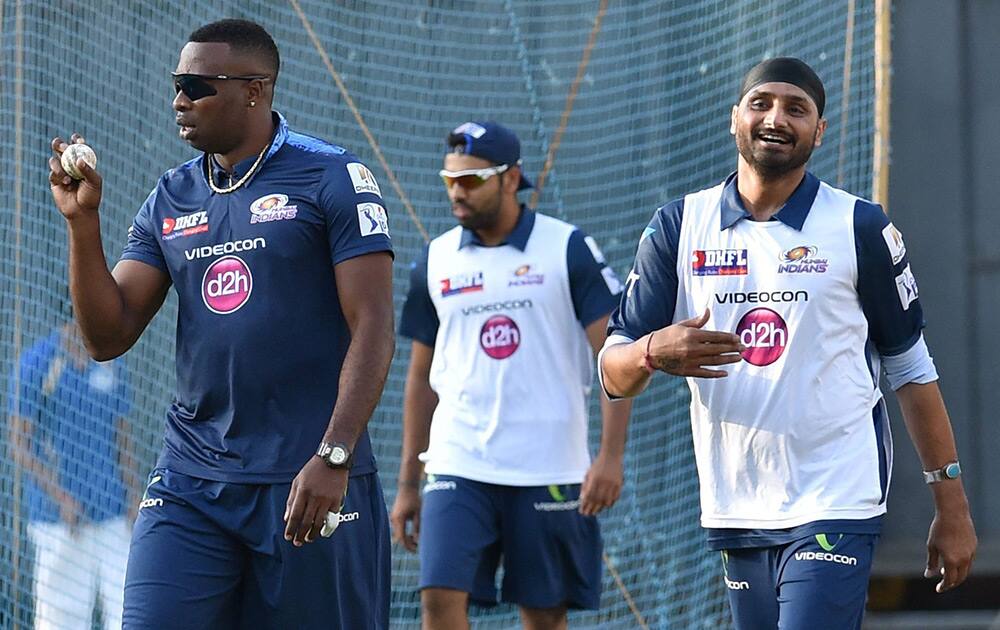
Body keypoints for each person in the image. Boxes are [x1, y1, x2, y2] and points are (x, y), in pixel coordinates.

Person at [599, 57, 977, 629]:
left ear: (818, 130)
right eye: (762, 103)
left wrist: (952, 507)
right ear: (734, 119)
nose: (776, 118)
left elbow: (912, 369)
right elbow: (612, 370)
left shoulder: (860, 227)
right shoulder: (678, 226)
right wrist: (653, 352)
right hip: (735, 504)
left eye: (796, 109)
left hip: (836, 497)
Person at [47, 19, 395, 629]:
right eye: (176, 83)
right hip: (191, 481)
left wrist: (334, 455)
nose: (179, 98)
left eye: (196, 85)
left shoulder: (332, 177)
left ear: (255, 91)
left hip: (307, 481)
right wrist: (83, 226)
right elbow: (109, 336)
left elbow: (373, 328)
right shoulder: (171, 196)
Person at [391, 121, 633, 630]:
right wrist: (409, 483)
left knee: (543, 616)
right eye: (450, 179)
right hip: (458, 463)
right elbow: (420, 380)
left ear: (511, 179)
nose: (458, 190)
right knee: (437, 595)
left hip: (548, 469)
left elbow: (617, 357)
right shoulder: (434, 260)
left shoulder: (567, 248)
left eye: (473, 180)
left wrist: (609, 457)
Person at [8, 316, 136, 630]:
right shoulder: (38, 364)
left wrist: (134, 496)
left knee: (126, 611)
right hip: (60, 521)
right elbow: (19, 443)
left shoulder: (110, 362)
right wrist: (61, 498)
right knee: (61, 618)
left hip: (114, 512)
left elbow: (123, 438)